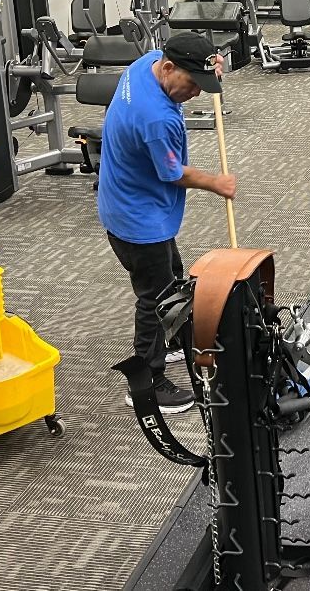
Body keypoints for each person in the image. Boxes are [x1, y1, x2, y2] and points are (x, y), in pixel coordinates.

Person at [98, 32, 237, 415]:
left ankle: (171, 338)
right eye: (192, 85)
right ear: (171, 69)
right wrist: (217, 183)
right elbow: (173, 173)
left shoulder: (149, 63)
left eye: (202, 85)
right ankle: (148, 381)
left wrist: (212, 69)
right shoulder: (157, 118)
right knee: (154, 296)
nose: (196, 93)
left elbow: (197, 68)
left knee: (170, 275)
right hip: (137, 219)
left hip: (123, 200)